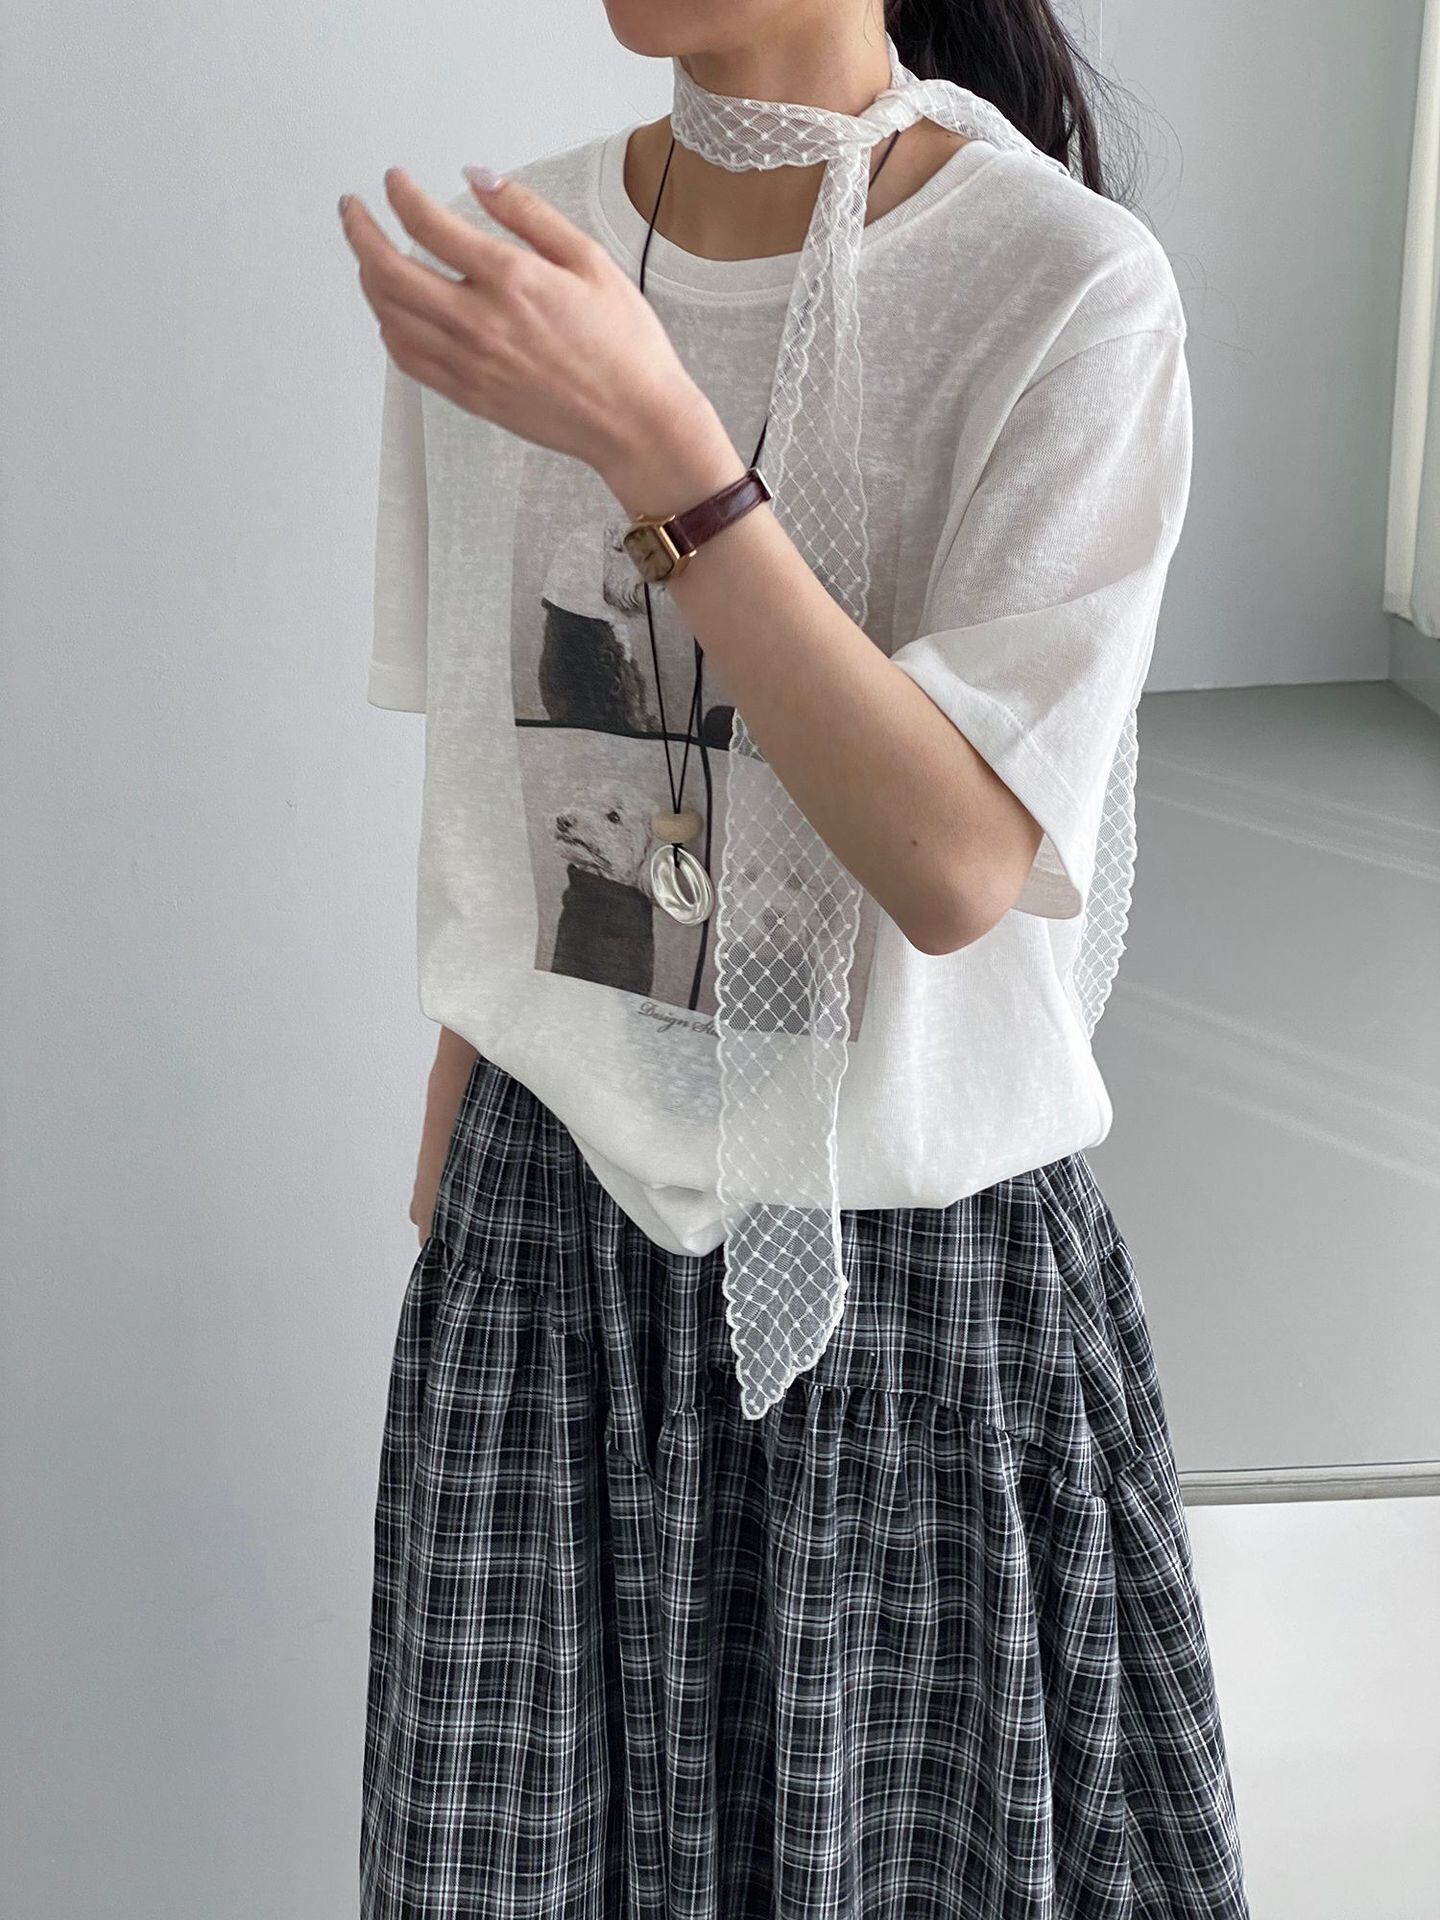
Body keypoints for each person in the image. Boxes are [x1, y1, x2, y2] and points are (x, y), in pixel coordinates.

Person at [340, 2, 1253, 1913]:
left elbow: (954, 862)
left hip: (906, 1294)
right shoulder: (529, 273)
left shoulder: (1063, 285)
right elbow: (518, 785)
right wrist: (460, 1108)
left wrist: (662, 447)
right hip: (548, 1266)